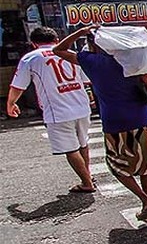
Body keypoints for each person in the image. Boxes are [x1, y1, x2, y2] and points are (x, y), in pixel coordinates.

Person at [53, 26, 147, 221]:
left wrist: (80, 32)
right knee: (146, 166)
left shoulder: (92, 62)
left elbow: (58, 50)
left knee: (116, 166)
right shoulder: (130, 59)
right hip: (142, 118)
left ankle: (145, 200)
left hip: (115, 121)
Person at [6, 26, 95, 193]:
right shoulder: (69, 53)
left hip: (57, 109)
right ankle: (87, 175)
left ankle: (87, 182)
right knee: (83, 142)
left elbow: (18, 85)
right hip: (81, 105)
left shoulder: (31, 58)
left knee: (70, 148)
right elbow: (86, 80)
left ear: (33, 43)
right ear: (56, 40)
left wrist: (11, 103)